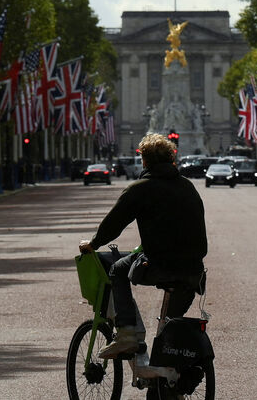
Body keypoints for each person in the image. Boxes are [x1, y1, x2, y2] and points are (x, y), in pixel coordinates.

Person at [78, 133, 208, 359]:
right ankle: (169, 384)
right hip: (194, 271)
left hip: (160, 264)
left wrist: (94, 243)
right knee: (169, 326)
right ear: (171, 159)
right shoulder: (188, 187)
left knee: (117, 269)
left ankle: (127, 333)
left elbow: (113, 225)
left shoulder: (141, 188)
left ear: (144, 161)